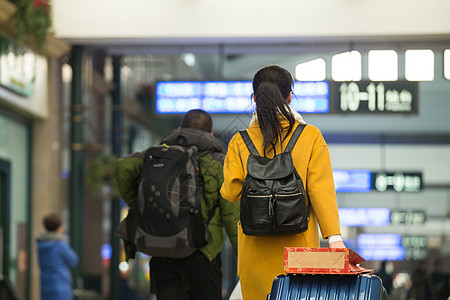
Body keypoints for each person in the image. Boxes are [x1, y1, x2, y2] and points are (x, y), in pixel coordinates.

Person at [220, 65, 346, 300]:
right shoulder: (310, 136)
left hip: (254, 248)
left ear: (255, 97)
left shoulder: (239, 141)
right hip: (299, 250)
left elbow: (230, 191)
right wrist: (334, 238)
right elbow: (321, 191)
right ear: (290, 96)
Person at [115, 109, 239, 300]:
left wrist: (137, 203)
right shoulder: (219, 164)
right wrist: (243, 256)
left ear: (180, 129)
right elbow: (232, 216)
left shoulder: (156, 157)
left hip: (163, 250)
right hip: (203, 252)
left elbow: (122, 168)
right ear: (211, 134)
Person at [37, 212, 79, 300]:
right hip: (60, 288)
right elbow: (73, 260)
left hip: (45, 287)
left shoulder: (41, 244)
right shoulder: (61, 244)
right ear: (59, 228)